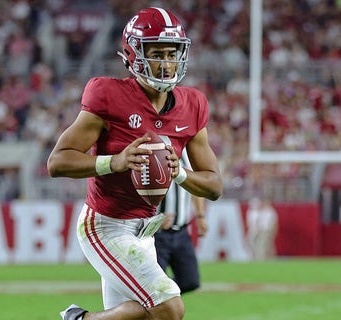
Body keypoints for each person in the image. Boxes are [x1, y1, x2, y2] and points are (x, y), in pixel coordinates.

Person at [47, 7, 222, 320]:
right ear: (133, 55)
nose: (166, 63)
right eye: (156, 53)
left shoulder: (193, 104)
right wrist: (113, 162)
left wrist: (179, 173)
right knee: (169, 306)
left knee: (144, 313)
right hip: (105, 225)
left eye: (172, 53)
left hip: (145, 231)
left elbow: (214, 185)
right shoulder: (108, 94)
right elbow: (57, 162)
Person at [154, 148, 206, 294]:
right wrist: (153, 219)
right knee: (155, 284)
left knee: (190, 281)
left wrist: (200, 216)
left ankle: (163, 299)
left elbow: (196, 185)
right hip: (157, 235)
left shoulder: (186, 151)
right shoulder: (152, 148)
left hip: (182, 231)